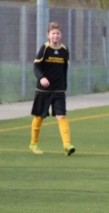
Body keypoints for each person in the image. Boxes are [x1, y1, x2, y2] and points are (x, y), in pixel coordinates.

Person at [29, 22, 75, 156]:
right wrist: (41, 78)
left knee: (61, 115)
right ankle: (33, 143)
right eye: (53, 33)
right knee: (40, 115)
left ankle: (67, 145)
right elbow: (36, 67)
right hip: (43, 90)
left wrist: (64, 85)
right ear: (48, 35)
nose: (55, 36)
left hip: (59, 90)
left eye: (58, 33)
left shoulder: (64, 50)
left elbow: (64, 69)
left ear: (61, 35)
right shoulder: (44, 49)